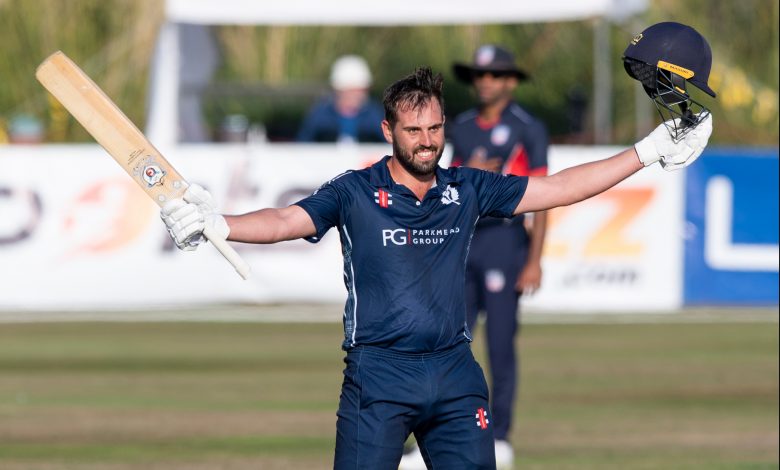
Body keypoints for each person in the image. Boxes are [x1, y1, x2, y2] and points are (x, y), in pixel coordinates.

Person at [159, 22, 714, 469]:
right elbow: (285, 219)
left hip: (454, 373)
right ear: (388, 131)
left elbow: (559, 188)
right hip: (378, 374)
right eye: (413, 131)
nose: (426, 143)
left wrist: (647, 151)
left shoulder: (466, 187)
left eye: (434, 129)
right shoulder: (353, 191)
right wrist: (219, 224)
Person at [401, 44, 549, 470]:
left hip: (505, 242)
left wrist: (535, 259)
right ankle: (431, 437)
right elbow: (440, 189)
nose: (485, 82)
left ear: (510, 81)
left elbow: (543, 198)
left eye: (494, 75)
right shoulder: (459, 127)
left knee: (500, 345)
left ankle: (499, 436)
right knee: (444, 342)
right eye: (479, 75)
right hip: (460, 244)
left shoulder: (527, 128)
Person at [296, 54, 386, 143]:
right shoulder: (320, 116)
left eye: (361, 90)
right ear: (338, 90)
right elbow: (302, 145)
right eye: (351, 90)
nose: (357, 95)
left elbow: (388, 145)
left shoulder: (375, 115)